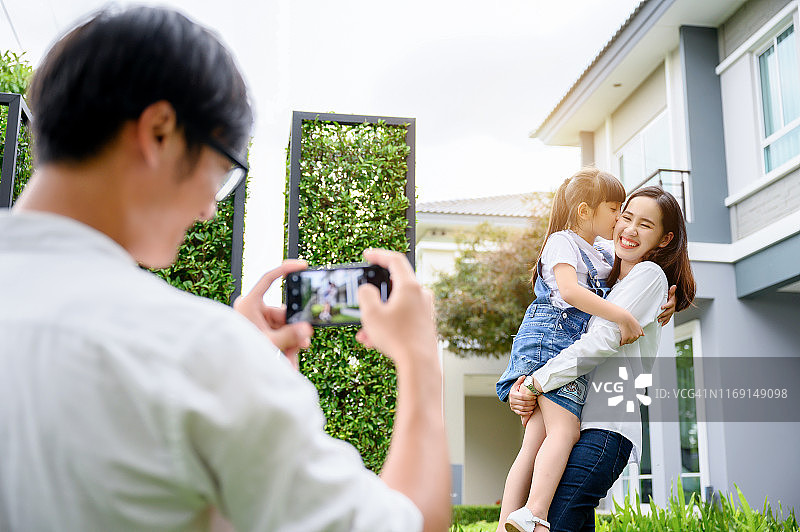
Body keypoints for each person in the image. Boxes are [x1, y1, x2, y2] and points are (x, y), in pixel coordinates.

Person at [0, 7, 450, 532]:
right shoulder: (194, 350)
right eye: (221, 171)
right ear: (160, 131)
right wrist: (420, 358)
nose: (210, 209)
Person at [503, 186, 696, 532]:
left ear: (665, 239)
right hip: (580, 421)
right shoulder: (606, 275)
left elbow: (601, 341)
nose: (630, 229)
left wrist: (536, 382)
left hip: (604, 427)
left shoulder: (649, 275)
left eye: (645, 225)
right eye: (626, 217)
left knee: (552, 523)